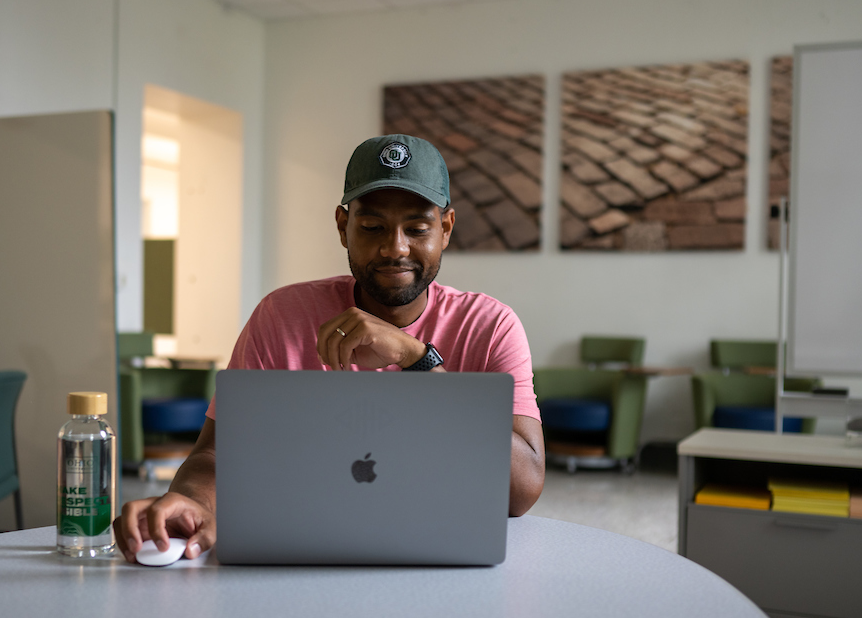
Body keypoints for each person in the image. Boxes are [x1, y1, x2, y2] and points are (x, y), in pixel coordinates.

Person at [114, 134, 545, 563]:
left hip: (443, 565)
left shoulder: (492, 326)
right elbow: (215, 452)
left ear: (446, 228)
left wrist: (416, 360)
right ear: (343, 226)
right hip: (297, 558)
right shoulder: (280, 316)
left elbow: (522, 490)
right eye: (372, 227)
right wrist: (194, 500)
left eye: (416, 228)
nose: (395, 248)